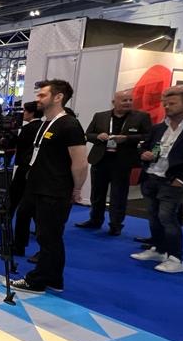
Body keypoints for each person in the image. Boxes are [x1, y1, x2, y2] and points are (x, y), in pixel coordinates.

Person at [12, 80, 88, 294]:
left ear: (58, 97)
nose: (38, 98)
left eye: (43, 95)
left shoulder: (69, 125)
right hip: (38, 187)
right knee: (48, 236)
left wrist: (76, 189)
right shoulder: (47, 123)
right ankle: (54, 278)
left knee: (49, 236)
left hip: (54, 190)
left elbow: (80, 162)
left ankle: (39, 279)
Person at [131, 87, 183, 274]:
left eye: (172, 103)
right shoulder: (159, 128)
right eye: (165, 104)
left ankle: (176, 258)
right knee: (153, 216)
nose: (167, 107)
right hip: (152, 176)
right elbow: (146, 147)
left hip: (174, 180)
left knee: (168, 218)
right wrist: (144, 155)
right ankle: (159, 249)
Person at [77, 90, 153, 235]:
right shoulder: (100, 116)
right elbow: (88, 135)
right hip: (100, 159)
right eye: (124, 100)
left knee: (119, 195)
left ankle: (116, 224)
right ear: (114, 102)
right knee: (97, 194)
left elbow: (148, 136)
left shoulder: (141, 117)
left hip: (123, 161)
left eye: (130, 100)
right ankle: (95, 220)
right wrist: (98, 136)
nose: (128, 103)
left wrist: (127, 138)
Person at [10, 101, 43, 256]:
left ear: (30, 113)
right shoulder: (43, 127)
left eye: (24, 111)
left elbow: (19, 146)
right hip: (34, 172)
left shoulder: (29, 128)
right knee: (30, 207)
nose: (23, 113)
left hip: (24, 168)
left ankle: (17, 242)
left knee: (17, 203)